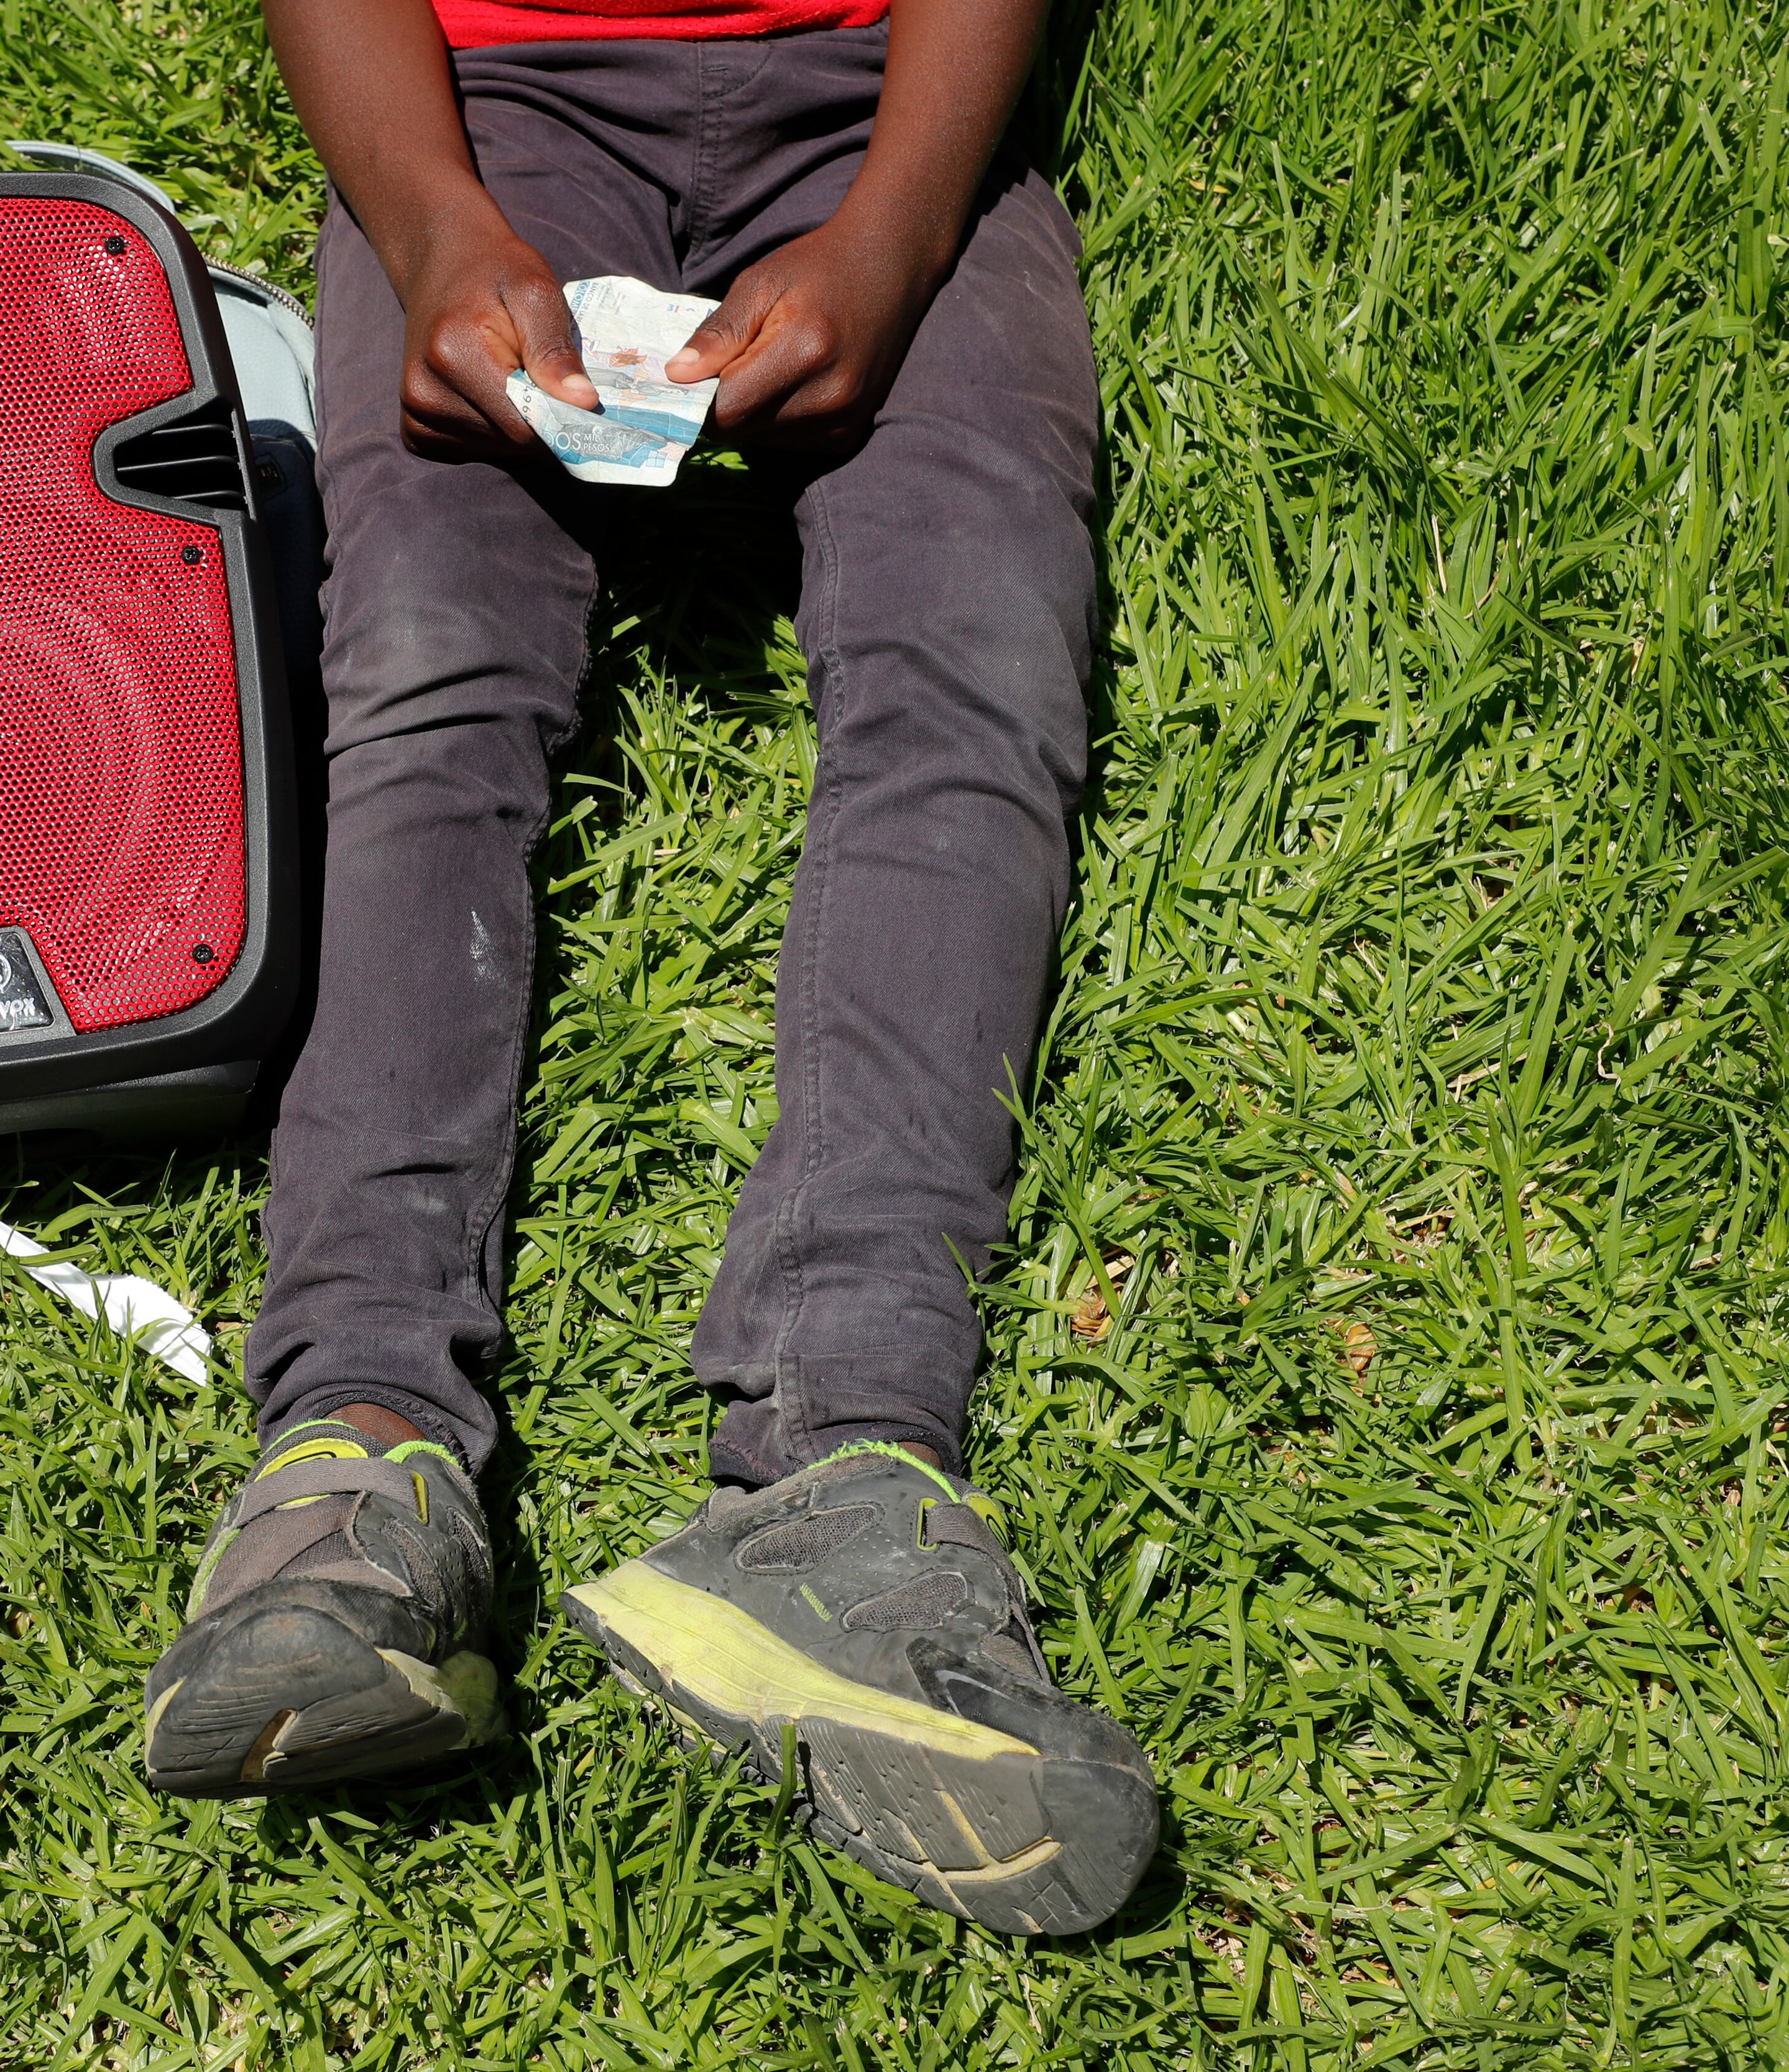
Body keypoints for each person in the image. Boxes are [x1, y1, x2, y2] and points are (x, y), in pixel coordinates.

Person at [139, 0, 1158, 1936]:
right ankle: (357, 1453)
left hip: (893, 109)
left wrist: (897, 234)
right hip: (482, 109)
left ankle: (850, 1468)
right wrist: (433, 226)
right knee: (425, 669)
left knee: (975, 671)